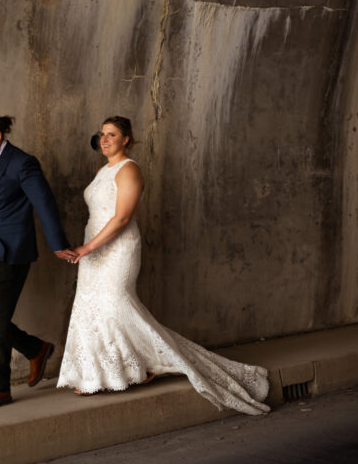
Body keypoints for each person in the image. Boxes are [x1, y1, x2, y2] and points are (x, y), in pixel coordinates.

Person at [56, 116, 270, 414]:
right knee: (92, 306)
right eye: (102, 135)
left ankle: (152, 365)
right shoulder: (101, 170)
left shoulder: (129, 170)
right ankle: (103, 375)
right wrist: (87, 247)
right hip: (92, 246)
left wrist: (88, 247)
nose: (104, 140)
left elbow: (121, 218)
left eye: (112, 135)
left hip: (117, 248)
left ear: (126, 139)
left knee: (116, 304)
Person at [0, 111, 75, 410]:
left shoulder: (22, 163)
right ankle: (35, 348)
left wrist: (57, 245)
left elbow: (44, 202)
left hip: (13, 250)